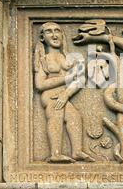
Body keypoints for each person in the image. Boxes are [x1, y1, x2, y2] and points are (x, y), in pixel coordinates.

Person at [34, 21, 94, 163]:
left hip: (64, 94)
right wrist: (67, 78)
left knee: (75, 117)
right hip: (50, 95)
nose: (54, 35)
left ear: (62, 34)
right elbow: (40, 84)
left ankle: (77, 151)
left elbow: (80, 79)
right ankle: (55, 154)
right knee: (56, 116)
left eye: (57, 31)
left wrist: (67, 94)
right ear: (43, 38)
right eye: (49, 32)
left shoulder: (69, 58)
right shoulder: (44, 59)